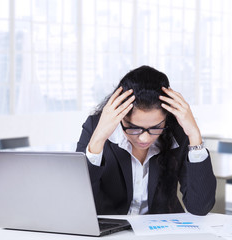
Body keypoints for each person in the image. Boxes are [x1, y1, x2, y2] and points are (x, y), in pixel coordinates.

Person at [76, 65, 216, 216]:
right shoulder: (96, 127)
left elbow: (200, 207)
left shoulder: (178, 131)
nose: (144, 138)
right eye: (133, 127)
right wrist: (98, 139)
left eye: (155, 127)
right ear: (120, 116)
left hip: (162, 231)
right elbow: (76, 199)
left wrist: (194, 136)